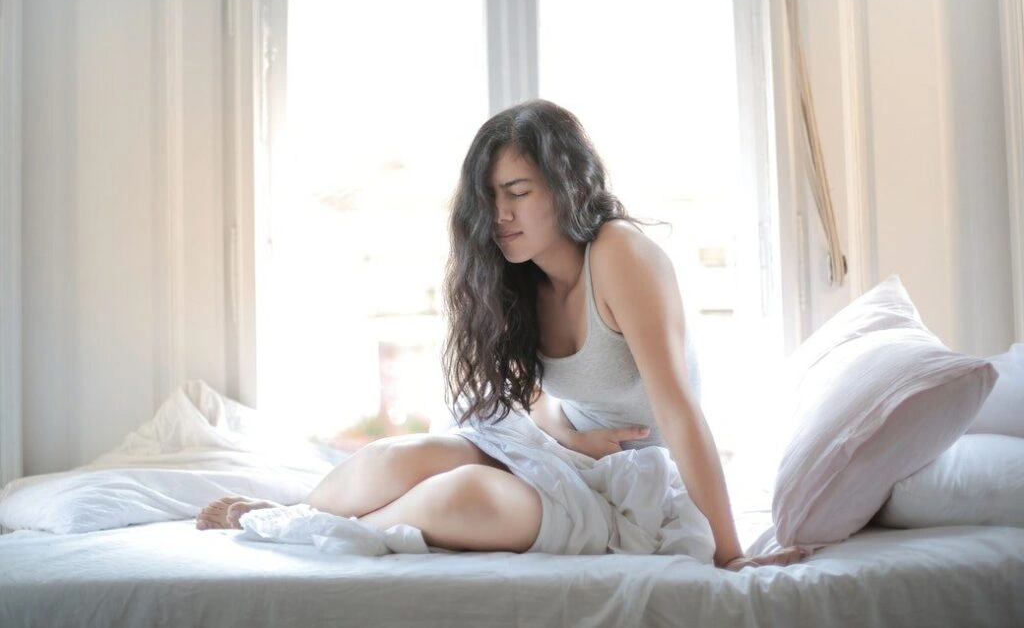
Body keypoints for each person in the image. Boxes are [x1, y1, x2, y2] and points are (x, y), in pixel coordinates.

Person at [196, 99, 808, 571]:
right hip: (566, 457)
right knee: (403, 455)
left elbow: (678, 409)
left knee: (464, 495)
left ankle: (309, 532)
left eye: (518, 192)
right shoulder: (520, 280)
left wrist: (731, 553)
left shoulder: (621, 255)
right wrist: (572, 433)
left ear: (569, 187)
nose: (500, 216)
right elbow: (533, 401)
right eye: (490, 198)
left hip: (636, 489)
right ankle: (298, 514)